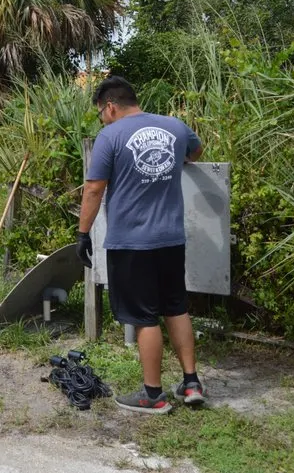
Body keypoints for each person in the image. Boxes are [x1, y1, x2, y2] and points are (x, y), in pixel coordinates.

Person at [77, 76, 206, 414]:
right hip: (171, 238)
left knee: (144, 317)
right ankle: (191, 383)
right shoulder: (175, 126)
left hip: (132, 243)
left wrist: (83, 233)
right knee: (176, 307)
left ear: (110, 106)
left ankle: (153, 395)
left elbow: (94, 189)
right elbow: (196, 150)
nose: (102, 120)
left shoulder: (110, 136)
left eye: (101, 114)